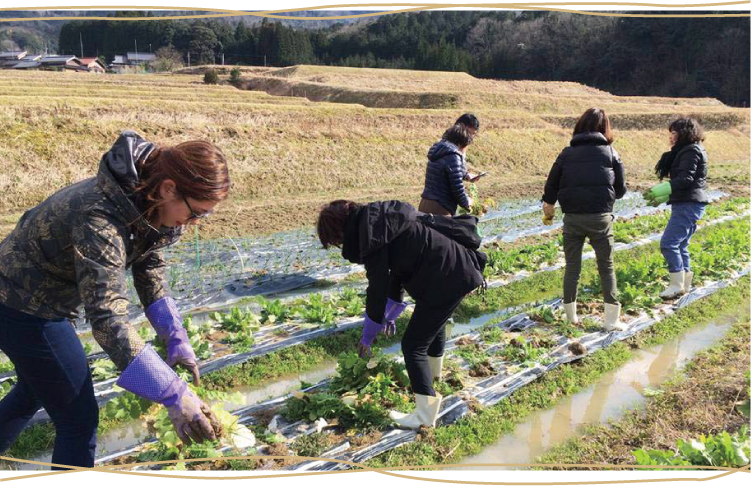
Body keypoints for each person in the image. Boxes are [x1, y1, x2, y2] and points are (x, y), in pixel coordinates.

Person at [0, 131, 230, 469]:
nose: (194, 224)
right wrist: (172, 393)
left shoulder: (150, 202)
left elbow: (149, 263)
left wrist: (174, 334)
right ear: (169, 188)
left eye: (205, 216)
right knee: (78, 420)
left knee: (35, 390)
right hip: (20, 302)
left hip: (41, 298)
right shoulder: (100, 218)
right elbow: (108, 320)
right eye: (196, 212)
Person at [317, 200, 485, 430]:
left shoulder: (370, 234)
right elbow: (394, 269)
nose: (340, 245)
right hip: (454, 271)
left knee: (412, 345)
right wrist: (392, 307)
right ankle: (433, 378)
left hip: (449, 276)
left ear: (340, 230)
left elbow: (377, 286)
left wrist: (369, 333)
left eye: (336, 241)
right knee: (432, 325)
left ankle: (424, 416)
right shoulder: (379, 222)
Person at [541, 108, 627, 331]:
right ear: (604, 128)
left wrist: (549, 206)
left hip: (572, 218)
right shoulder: (611, 153)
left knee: (572, 267)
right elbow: (620, 189)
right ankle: (611, 321)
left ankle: (571, 318)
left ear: (579, 127)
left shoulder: (566, 154)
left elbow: (551, 185)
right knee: (606, 267)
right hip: (600, 218)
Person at [643, 118, 709, 299]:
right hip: (689, 202)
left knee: (668, 243)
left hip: (689, 204)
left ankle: (676, 285)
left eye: (674, 133)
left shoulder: (691, 151)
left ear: (684, 133)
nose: (671, 137)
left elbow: (686, 179)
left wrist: (661, 189)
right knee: (680, 245)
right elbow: (686, 181)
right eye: (670, 133)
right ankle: (684, 284)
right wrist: (663, 196)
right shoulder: (689, 150)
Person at [419, 123, 476, 216]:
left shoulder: (440, 150)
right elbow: (457, 189)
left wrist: (465, 175)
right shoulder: (453, 155)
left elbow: (447, 173)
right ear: (461, 143)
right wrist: (468, 203)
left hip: (425, 204)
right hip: (440, 208)